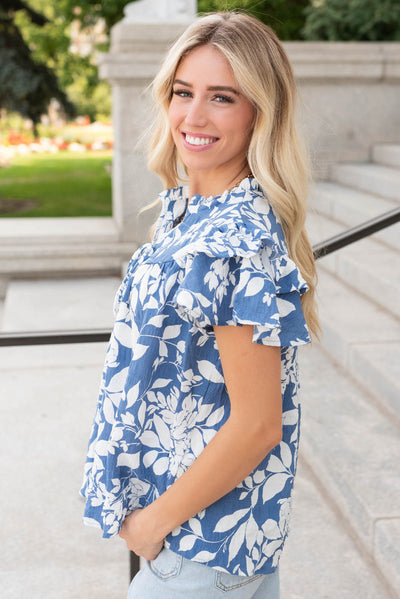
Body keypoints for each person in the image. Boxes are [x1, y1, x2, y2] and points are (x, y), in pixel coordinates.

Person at [80, 11, 319, 599]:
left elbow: (258, 423)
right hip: (213, 542)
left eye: (222, 98)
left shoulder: (232, 240)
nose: (193, 116)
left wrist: (152, 523)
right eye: (183, 92)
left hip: (195, 550)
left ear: (259, 112)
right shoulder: (190, 209)